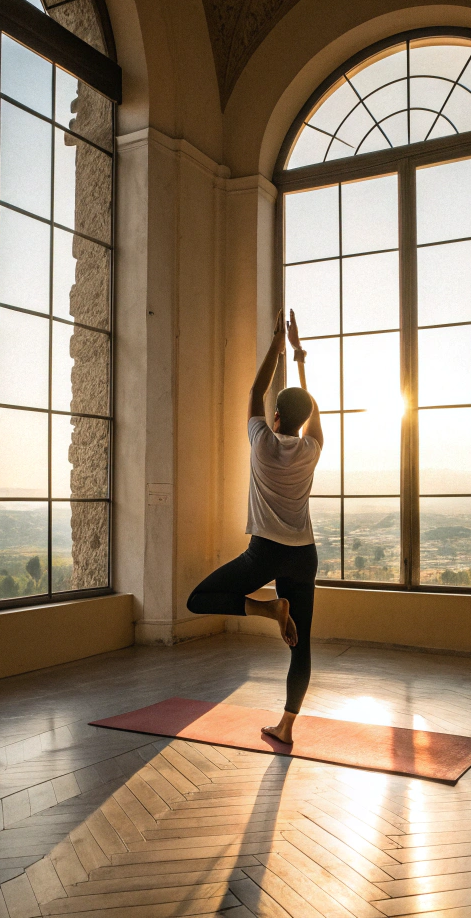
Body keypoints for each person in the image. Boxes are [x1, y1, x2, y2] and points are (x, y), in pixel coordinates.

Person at [186, 308, 323, 744]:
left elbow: (254, 389)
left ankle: (267, 610)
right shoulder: (312, 448)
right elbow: (313, 407)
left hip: (265, 551)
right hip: (304, 554)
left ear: (276, 418)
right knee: (301, 647)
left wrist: (275, 345)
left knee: (199, 598)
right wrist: (300, 357)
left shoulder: (261, 442)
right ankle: (285, 726)